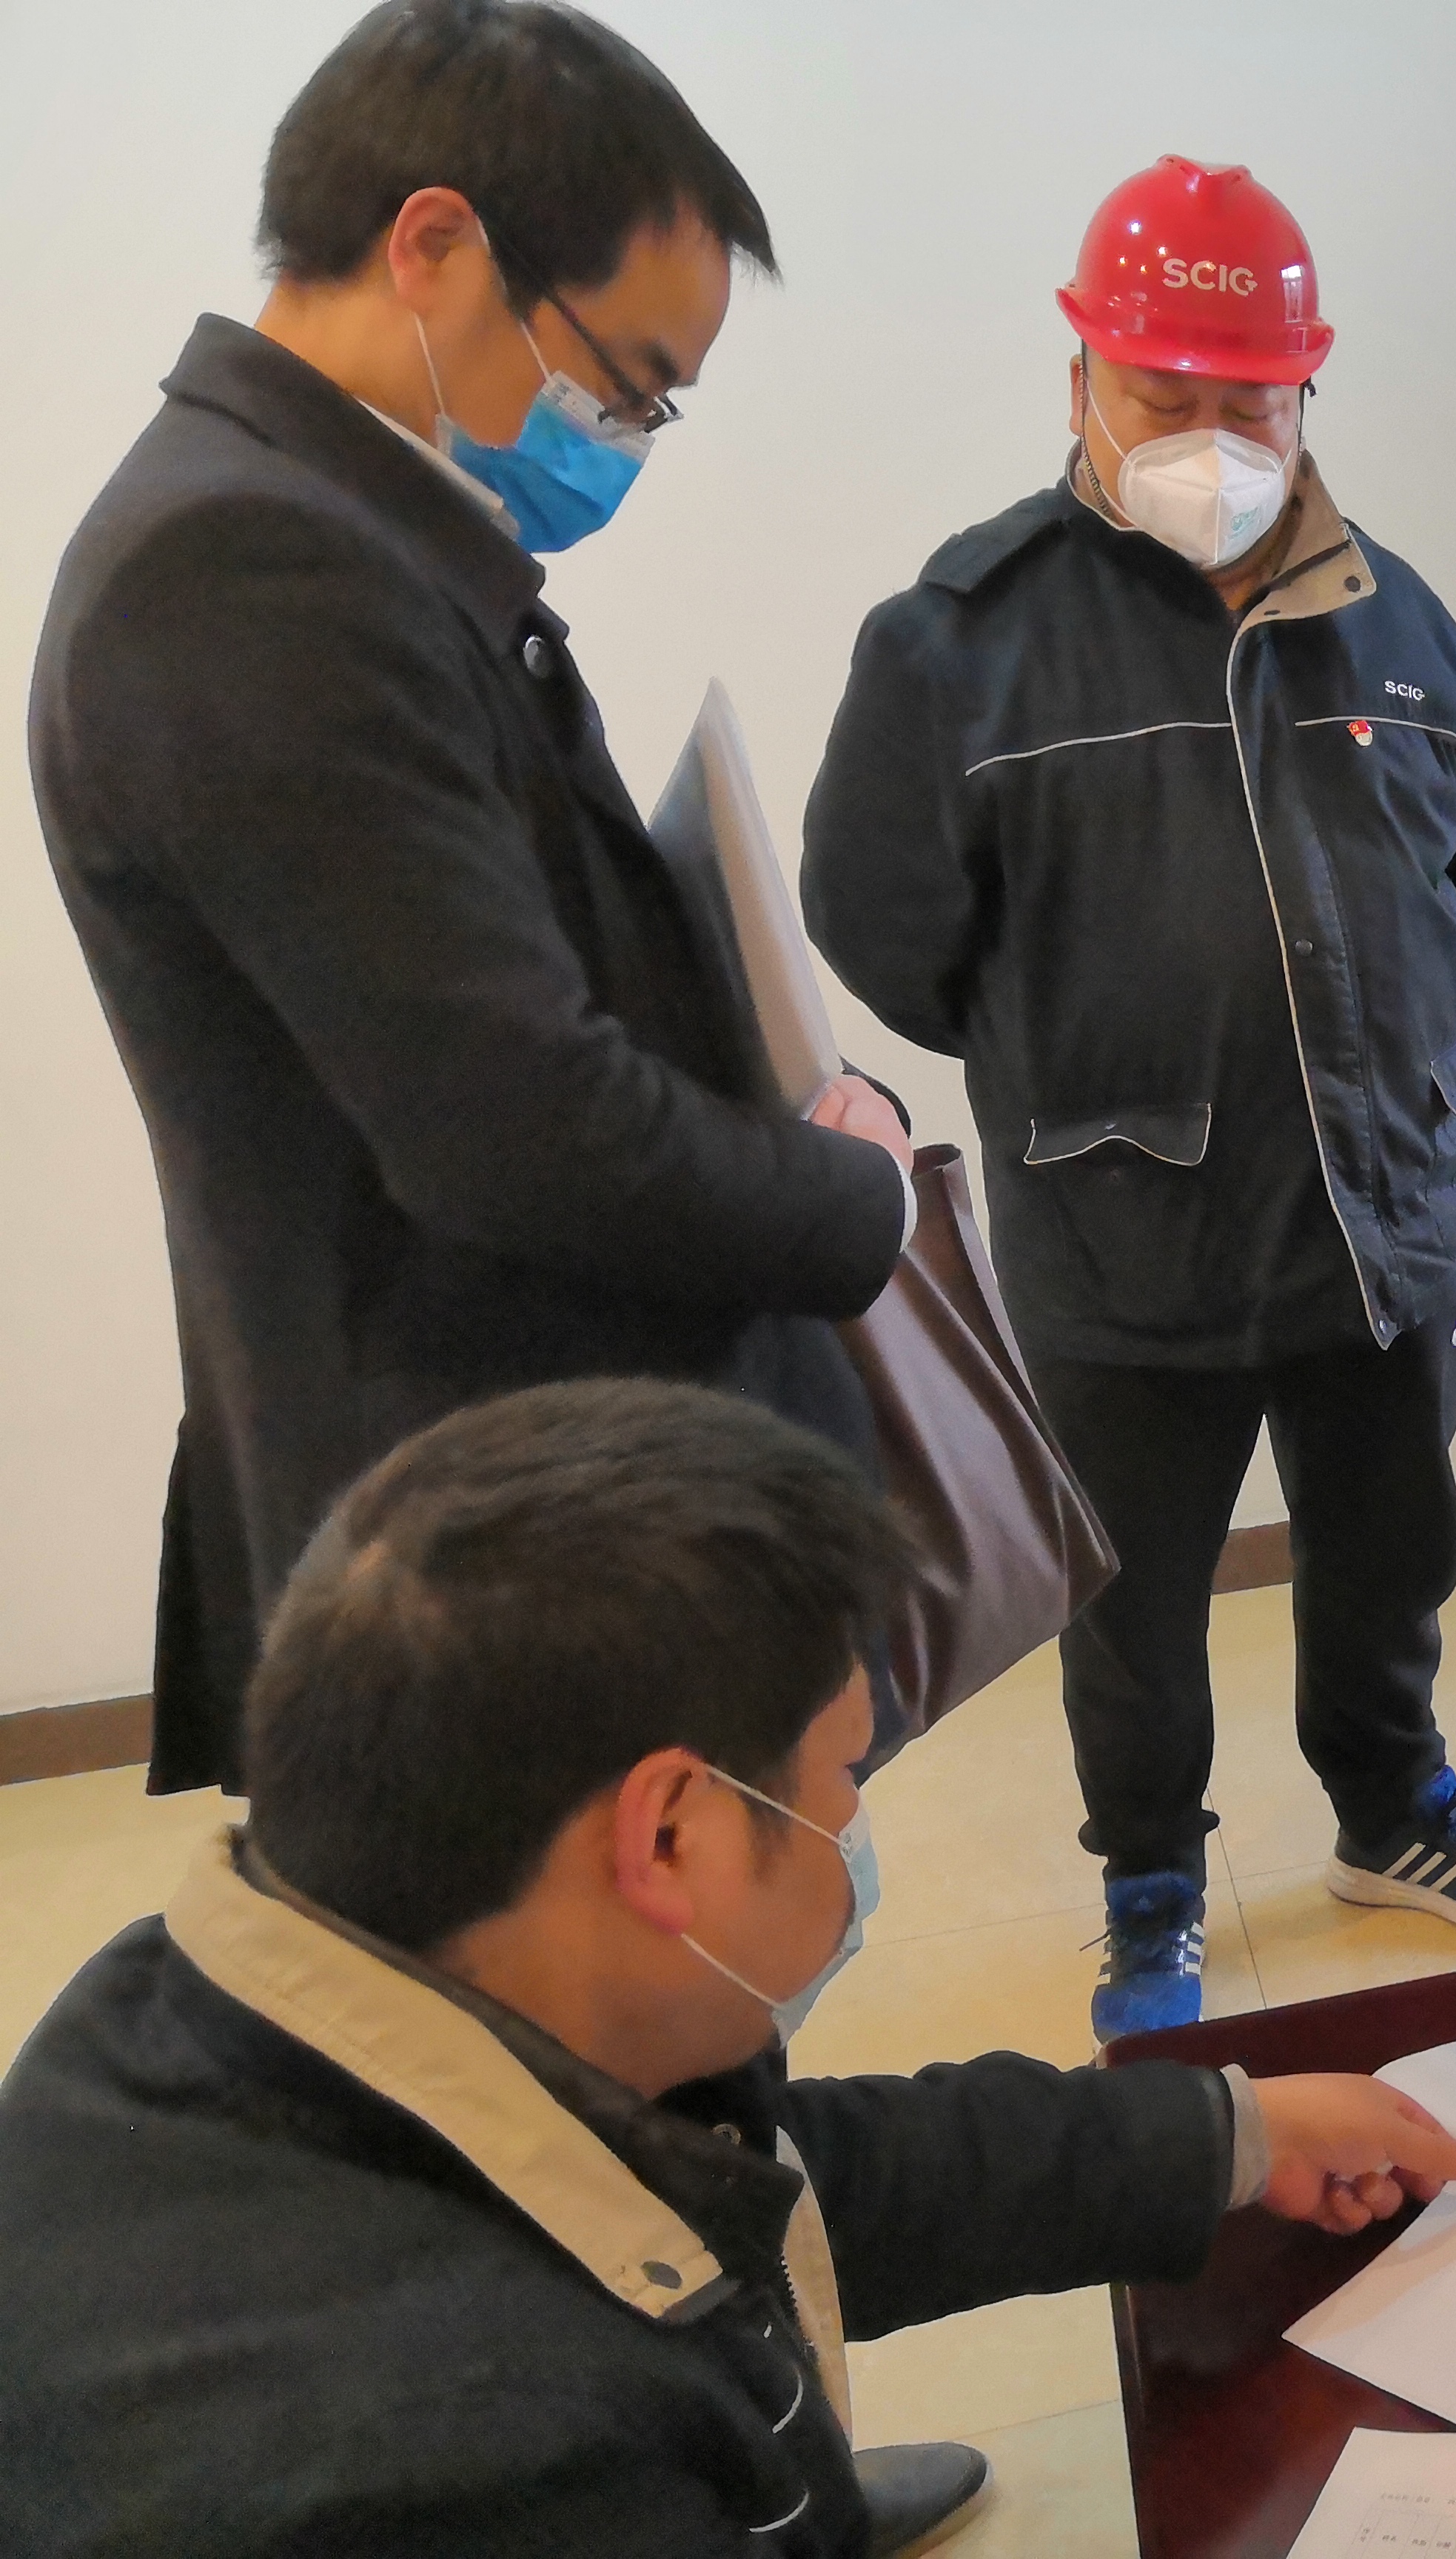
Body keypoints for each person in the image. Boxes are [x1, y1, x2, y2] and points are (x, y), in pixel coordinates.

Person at [0, 1379, 1456, 2558]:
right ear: (670, 1835)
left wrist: (1230, 2133)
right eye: (843, 1774)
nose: (857, 1825)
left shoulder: (240, 2004)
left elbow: (763, 2180)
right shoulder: (480, 2469)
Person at [27, 0, 918, 1798]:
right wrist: (862, 1197)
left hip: (536, 1497)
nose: (629, 437)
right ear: (434, 244)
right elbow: (517, 1125)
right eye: (626, 380)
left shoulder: (335, 524)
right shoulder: (247, 567)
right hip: (486, 1553)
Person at [801, 156, 1456, 2041]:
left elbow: (1448, 874)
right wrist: (1091, 1042)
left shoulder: (1401, 622)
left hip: (1379, 1215)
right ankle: (1150, 1886)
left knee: (1391, 1558)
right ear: (1081, 378)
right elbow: (883, 929)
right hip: (1121, 1232)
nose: (1212, 441)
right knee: (1130, 1610)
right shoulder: (958, 641)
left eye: (1252, 401)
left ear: (1308, 390)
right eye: (1165, 396)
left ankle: (1393, 1813)